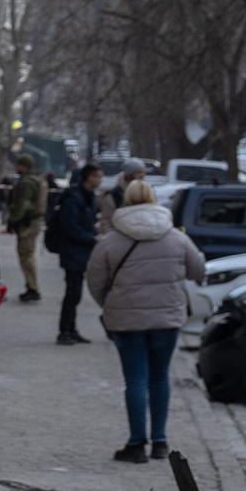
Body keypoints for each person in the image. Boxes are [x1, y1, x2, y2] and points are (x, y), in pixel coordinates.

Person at [86, 179, 208, 461]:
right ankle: (161, 441)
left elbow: (94, 279)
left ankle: (136, 443)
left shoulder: (111, 241)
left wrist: (110, 303)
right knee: (159, 378)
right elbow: (198, 269)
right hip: (166, 319)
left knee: (136, 381)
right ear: (155, 200)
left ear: (126, 201)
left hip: (126, 320)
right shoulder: (176, 237)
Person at [56, 164, 103, 344]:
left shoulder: (87, 197)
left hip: (81, 251)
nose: (99, 180)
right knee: (72, 293)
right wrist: (91, 238)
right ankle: (64, 331)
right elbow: (70, 228)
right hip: (73, 252)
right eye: (97, 176)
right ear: (88, 177)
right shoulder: (74, 199)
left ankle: (71, 329)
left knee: (75, 293)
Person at [6, 153, 46, 302]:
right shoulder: (36, 179)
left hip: (27, 223)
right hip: (32, 221)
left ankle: (32, 287)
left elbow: (23, 204)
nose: (16, 168)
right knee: (27, 255)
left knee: (26, 256)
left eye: (18, 165)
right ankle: (31, 286)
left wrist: (13, 220)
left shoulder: (27, 182)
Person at [99, 158, 148, 232]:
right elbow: (106, 222)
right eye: (138, 172)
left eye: (143, 172)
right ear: (129, 175)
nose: (142, 175)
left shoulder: (146, 191)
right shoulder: (113, 196)